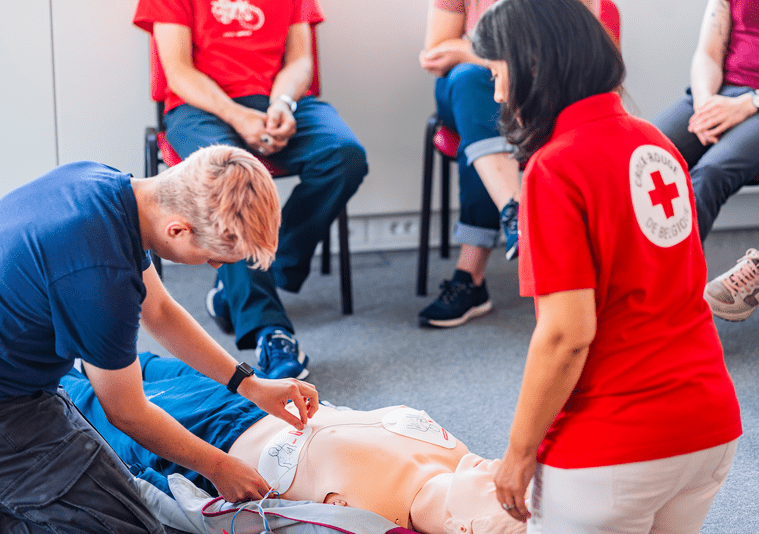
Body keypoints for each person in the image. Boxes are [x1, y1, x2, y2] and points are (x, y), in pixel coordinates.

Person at [471, 0, 742, 532]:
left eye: (497, 74)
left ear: (531, 65)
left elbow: (566, 336)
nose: (498, 93)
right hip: (709, 426)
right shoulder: (656, 142)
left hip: (615, 445)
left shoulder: (555, 168)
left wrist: (518, 453)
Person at [0, 145, 319, 533]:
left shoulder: (104, 184)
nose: (216, 266)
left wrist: (250, 385)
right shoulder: (102, 277)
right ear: (178, 229)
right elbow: (126, 412)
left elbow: (161, 312)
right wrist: (218, 466)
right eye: (214, 257)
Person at [133, 0, 368, 378]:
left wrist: (282, 104)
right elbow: (177, 72)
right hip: (200, 110)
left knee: (344, 156)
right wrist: (237, 116)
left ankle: (251, 274)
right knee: (229, 179)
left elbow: (300, 61)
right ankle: (269, 330)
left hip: (281, 102)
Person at [62, 352, 526, 534]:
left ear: (467, 529)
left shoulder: (370, 520)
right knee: (141, 360)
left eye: (503, 501)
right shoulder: (461, 457)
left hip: (206, 440)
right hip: (257, 403)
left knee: (72, 390)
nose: (498, 473)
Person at [416, 0, 599, 329]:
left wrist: (479, 53)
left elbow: (581, 51)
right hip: (470, 89)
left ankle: (471, 275)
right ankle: (518, 214)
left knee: (480, 141)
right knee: (472, 84)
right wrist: (505, 61)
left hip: (543, 89)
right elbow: (435, 52)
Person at [651, 0, 759, 242]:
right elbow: (708, 53)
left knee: (711, 172)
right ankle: (610, 271)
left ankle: (673, 277)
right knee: (642, 155)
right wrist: (704, 105)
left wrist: (751, 103)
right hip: (720, 95)